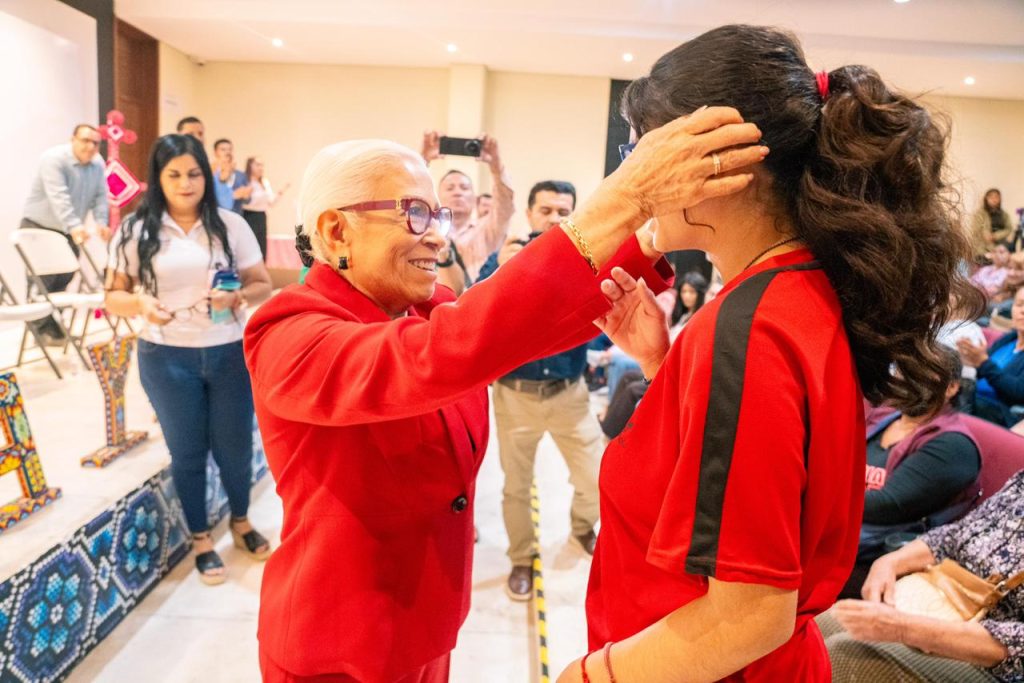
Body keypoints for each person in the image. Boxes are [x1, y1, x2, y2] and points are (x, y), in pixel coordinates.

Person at [244, 110, 766, 682]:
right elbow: (443, 351)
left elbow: (522, 326)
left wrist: (645, 239)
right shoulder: (290, 330)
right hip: (339, 643)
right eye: (415, 214)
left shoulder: (426, 307)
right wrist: (626, 197)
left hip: (424, 622)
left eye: (437, 215)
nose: (438, 236)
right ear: (337, 231)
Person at [557, 25, 984, 683]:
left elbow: (749, 615)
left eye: (644, 153)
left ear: (724, 164)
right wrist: (663, 365)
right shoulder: (794, 291)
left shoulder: (749, 328)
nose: (633, 178)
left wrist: (591, 675)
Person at [104, 134, 273, 585]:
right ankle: (201, 539)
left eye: (194, 174)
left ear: (206, 176)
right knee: (187, 452)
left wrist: (238, 296)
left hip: (228, 352)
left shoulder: (231, 225)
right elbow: (113, 296)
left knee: (236, 448)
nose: (185, 184)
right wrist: (140, 304)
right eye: (174, 174)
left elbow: (261, 283)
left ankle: (241, 522)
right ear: (158, 178)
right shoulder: (136, 230)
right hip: (166, 358)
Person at [476, 180, 605, 600]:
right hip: (514, 395)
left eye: (563, 211)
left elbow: (604, 322)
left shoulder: (587, 260)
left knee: (595, 478)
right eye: (545, 210)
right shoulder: (505, 258)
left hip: (570, 393)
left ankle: (582, 528)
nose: (553, 219)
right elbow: (474, 314)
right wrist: (500, 271)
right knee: (516, 485)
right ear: (529, 214)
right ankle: (521, 557)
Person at [819, 468, 1024, 683]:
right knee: (821, 626)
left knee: (845, 655)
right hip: (938, 602)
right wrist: (889, 562)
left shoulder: (955, 451)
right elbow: (954, 535)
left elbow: (890, 502)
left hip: (990, 660)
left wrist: (906, 629)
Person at [840, 347, 981, 598]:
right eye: (903, 369)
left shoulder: (953, 445)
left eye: (921, 372)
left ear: (951, 388)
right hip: (843, 525)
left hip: (876, 551)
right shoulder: (883, 417)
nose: (906, 378)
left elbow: (887, 505)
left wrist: (816, 497)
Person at [21, 123, 110, 344]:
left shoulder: (98, 164)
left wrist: (102, 222)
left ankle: (52, 328)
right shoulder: (53, 159)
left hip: (68, 230)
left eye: (95, 143)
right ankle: (40, 331)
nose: (90, 147)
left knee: (65, 278)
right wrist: (74, 225)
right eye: (85, 140)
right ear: (73, 140)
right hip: (40, 226)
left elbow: (101, 195)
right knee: (42, 281)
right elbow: (58, 196)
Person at [599, 271, 708, 440]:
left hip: (674, 370)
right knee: (626, 375)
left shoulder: (699, 318)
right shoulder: (682, 315)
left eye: (691, 292)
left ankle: (611, 431)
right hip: (663, 362)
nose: (687, 296)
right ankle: (609, 415)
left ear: (700, 293)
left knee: (629, 382)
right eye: (684, 291)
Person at [421, 131, 514, 292]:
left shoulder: (488, 230)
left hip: (479, 301)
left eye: (464, 188)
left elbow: (505, 203)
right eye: (450, 188)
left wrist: (495, 164)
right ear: (438, 196)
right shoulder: (427, 229)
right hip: (436, 301)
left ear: (474, 198)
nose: (458, 192)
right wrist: (423, 160)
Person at [959, 286, 1024, 427]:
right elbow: (979, 368)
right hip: (974, 398)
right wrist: (968, 359)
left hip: (1000, 412)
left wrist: (983, 362)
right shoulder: (1009, 339)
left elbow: (1019, 391)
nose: (1022, 311)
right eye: (1019, 305)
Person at [241, 156, 290, 260]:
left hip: (261, 216)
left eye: (262, 165)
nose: (261, 168)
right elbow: (245, 202)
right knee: (249, 245)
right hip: (248, 215)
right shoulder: (244, 181)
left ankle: (261, 266)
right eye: (258, 165)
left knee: (261, 246)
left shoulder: (264, 182)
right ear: (250, 166)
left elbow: (271, 202)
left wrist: (281, 192)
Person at [971, 189, 1014, 261]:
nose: (994, 199)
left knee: (1009, 254)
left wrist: (995, 236)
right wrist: (985, 233)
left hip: (1000, 243)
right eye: (991, 197)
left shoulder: (1004, 214)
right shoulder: (979, 213)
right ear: (986, 198)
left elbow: (1009, 228)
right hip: (983, 244)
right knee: (982, 257)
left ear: (1000, 199)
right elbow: (975, 228)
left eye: (996, 197)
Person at [212, 138, 251, 214]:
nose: (227, 152)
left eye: (230, 149)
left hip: (236, 216)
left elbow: (248, 201)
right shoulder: (210, 173)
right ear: (215, 153)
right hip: (216, 215)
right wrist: (231, 196)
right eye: (223, 150)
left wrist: (245, 195)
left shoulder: (241, 175)